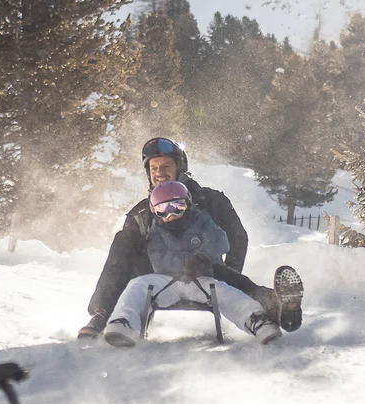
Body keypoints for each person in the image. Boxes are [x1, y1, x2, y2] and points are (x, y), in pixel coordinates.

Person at [79, 136, 302, 338]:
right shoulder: (142, 212)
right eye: (153, 168)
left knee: (222, 272)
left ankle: (273, 305)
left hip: (205, 270)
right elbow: (123, 256)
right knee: (123, 239)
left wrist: (228, 274)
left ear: (180, 168)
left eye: (166, 166)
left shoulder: (210, 200)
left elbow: (237, 237)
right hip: (156, 275)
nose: (159, 172)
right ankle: (104, 313)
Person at [103, 180, 280, 347]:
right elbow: (158, 259)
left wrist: (202, 259)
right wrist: (185, 262)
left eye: (177, 207)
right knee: (137, 286)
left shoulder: (201, 221)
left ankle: (256, 321)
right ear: (155, 212)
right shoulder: (155, 231)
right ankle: (123, 322)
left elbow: (219, 241)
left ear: (188, 204)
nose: (171, 214)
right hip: (166, 281)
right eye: (163, 209)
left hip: (200, 278)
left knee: (223, 291)